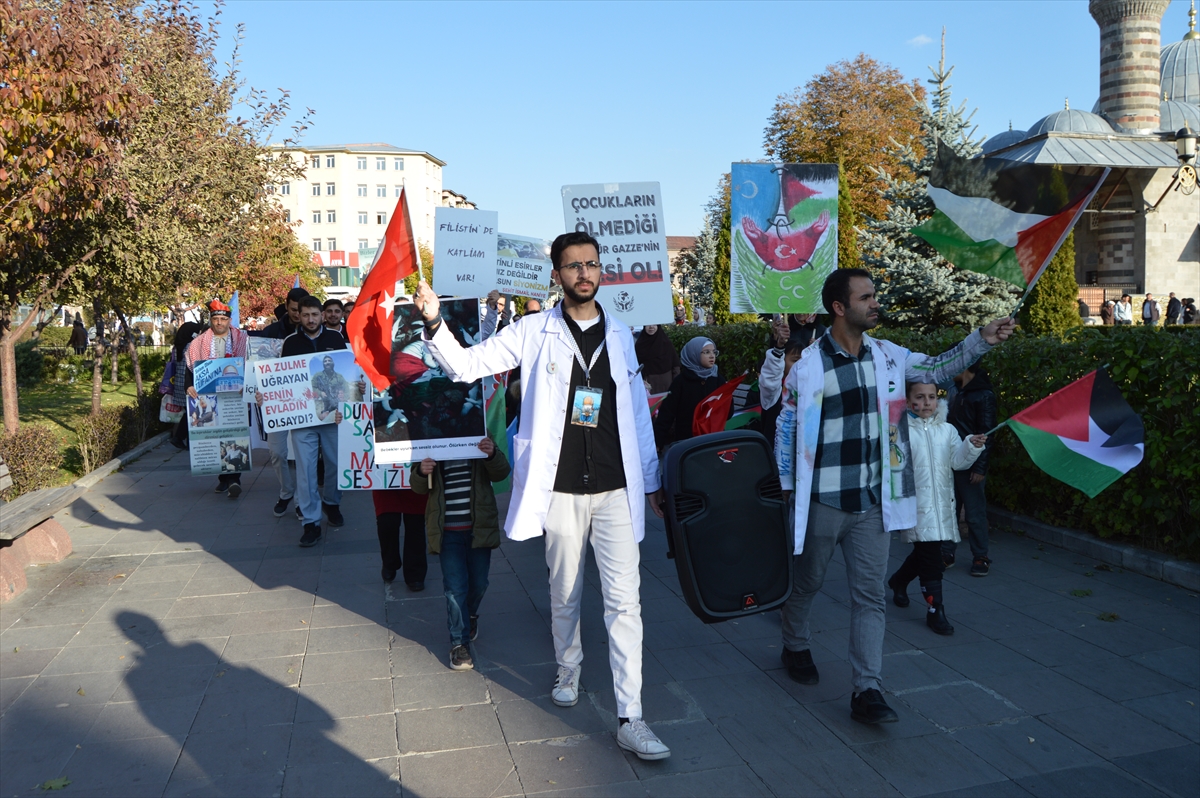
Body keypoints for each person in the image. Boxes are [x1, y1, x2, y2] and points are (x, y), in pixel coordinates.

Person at [412, 230, 671, 760]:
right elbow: (464, 367)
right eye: (573, 266)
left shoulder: (621, 335)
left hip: (616, 489)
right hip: (559, 488)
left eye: (591, 264)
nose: (583, 273)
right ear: (557, 275)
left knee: (626, 603)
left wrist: (651, 481)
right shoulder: (533, 331)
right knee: (565, 590)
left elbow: (639, 417)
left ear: (602, 271)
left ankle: (631, 716)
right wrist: (435, 321)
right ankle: (568, 667)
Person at [774, 268, 1014, 725]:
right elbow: (786, 427)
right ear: (840, 307)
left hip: (873, 502)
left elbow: (937, 368)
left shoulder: (888, 356)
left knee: (870, 596)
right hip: (823, 500)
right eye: (866, 297)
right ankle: (795, 643)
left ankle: (867, 689)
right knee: (807, 582)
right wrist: (787, 486)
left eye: (875, 295)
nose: (875, 303)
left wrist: (981, 338)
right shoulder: (807, 366)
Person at [887, 382, 987, 636]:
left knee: (926, 552)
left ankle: (899, 580)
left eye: (932, 396)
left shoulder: (947, 430)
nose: (927, 402)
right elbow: (893, 466)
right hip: (915, 506)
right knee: (932, 559)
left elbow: (958, 462)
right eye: (920, 397)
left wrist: (972, 446)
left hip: (942, 505)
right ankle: (936, 610)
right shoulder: (899, 430)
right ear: (908, 401)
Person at [412, 436, 511, 670]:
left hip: (478, 528)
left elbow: (501, 473)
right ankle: (459, 643)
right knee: (455, 588)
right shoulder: (429, 440)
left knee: (479, 583)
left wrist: (492, 454)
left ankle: (470, 615)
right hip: (447, 532)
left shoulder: (479, 434)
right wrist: (420, 472)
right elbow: (417, 487)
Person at [279, 296, 352, 547]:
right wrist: (264, 395)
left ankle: (332, 503)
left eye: (315, 314)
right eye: (306, 315)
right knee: (306, 471)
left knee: (334, 463)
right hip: (302, 419)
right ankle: (310, 521)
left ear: (322, 315)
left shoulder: (335, 339)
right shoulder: (290, 342)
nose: (311, 319)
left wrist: (357, 386)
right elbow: (280, 379)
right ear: (298, 315)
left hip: (333, 416)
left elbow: (346, 374)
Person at [184, 301, 249, 498]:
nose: (219, 322)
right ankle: (223, 479)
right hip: (208, 395)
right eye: (215, 319)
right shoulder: (198, 343)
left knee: (234, 434)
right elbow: (189, 368)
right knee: (214, 436)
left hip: (234, 395)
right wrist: (189, 385)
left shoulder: (243, 339)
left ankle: (234, 479)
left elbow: (252, 364)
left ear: (230, 320)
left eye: (223, 319)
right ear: (210, 320)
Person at [943, 361, 997, 575]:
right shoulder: (956, 391)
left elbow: (987, 433)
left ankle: (981, 556)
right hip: (950, 461)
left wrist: (980, 468)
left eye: (952, 364)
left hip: (971, 465)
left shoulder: (983, 395)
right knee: (949, 511)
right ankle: (946, 553)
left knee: (974, 513)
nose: (948, 370)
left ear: (964, 367)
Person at [260, 287, 308, 518]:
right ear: (286, 308)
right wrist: (255, 390)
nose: (298, 315)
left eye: (301, 310)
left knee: (302, 454)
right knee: (278, 452)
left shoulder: (313, 333)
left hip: (304, 402)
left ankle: (300, 500)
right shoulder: (270, 332)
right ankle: (286, 491)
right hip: (275, 402)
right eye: (293, 310)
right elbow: (255, 367)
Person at [653, 337, 723, 449]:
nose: (712, 355)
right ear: (693, 354)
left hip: (712, 440)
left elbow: (727, 411)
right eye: (706, 352)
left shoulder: (718, 379)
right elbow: (667, 414)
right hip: (686, 441)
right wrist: (657, 443)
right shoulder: (681, 382)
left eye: (714, 352)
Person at [758, 317, 808, 453]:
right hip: (775, 459)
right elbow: (771, 374)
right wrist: (779, 346)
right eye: (795, 360)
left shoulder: (810, 390)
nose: (800, 366)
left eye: (804, 361)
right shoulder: (773, 391)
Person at [372, 480, 428, 591]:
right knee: (387, 521)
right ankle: (390, 561)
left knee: (415, 523)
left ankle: (415, 573)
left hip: (414, 475)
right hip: (385, 476)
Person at [634, 323, 680, 394]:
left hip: (666, 386)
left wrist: (675, 385)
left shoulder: (666, 343)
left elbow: (675, 365)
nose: (651, 327)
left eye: (654, 324)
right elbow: (635, 366)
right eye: (648, 324)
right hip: (647, 386)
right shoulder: (640, 345)